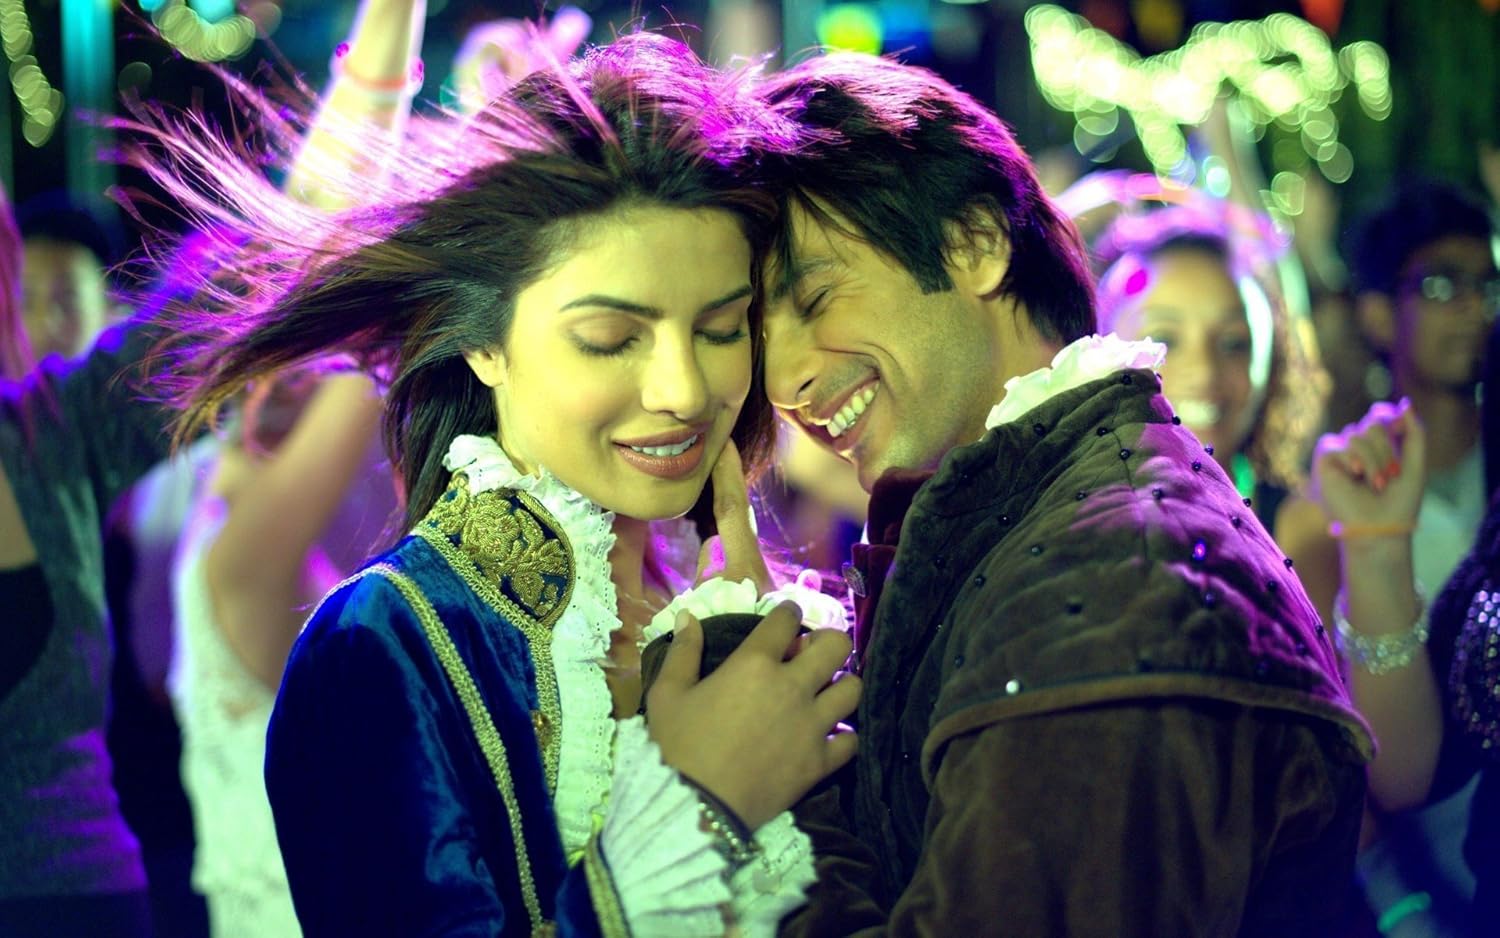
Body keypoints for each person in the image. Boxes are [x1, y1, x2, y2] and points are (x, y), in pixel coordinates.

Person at [138, 33, 858, 936]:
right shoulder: (385, 645)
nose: (683, 391)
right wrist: (696, 806)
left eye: (719, 329)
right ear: (483, 343)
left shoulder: (749, 605)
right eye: (610, 339)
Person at [755, 52, 1374, 936]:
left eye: (815, 297)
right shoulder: (1035, 516)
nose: (783, 380)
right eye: (753, 335)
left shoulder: (1119, 581)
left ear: (974, 245)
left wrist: (754, 793)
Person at [1279, 180, 1497, 936]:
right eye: (1441, 285)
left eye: (1486, 283)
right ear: (1378, 315)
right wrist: (1407, 914)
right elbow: (1344, 762)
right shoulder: (1332, 505)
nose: (1472, 306)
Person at [1089, 183, 1329, 535]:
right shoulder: (1053, 524)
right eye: (1165, 340)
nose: (1205, 371)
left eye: (1233, 343)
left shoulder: (1309, 531)